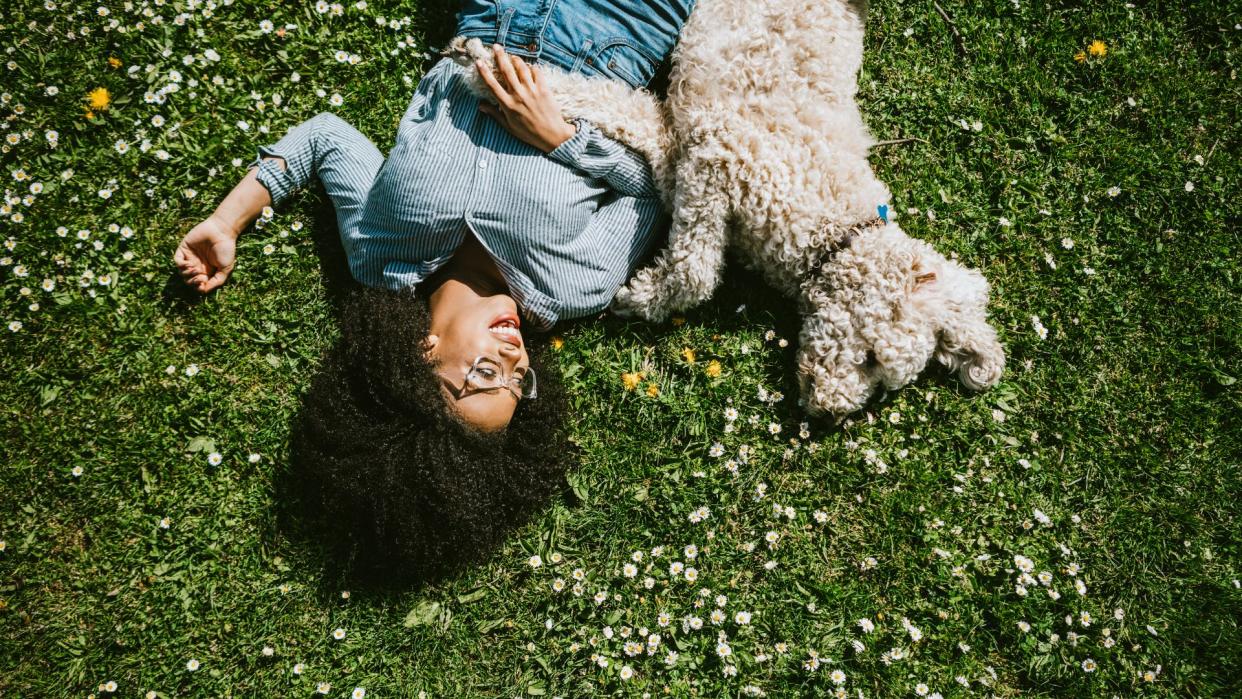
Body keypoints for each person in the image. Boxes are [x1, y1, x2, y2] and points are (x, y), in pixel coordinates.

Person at [171, 1, 695, 580]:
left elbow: (325, 141)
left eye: (486, 376)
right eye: (521, 382)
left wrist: (226, 222)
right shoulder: (570, 288)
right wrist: (559, 138)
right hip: (619, 31)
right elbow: (651, 192)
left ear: (420, 360)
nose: (514, 359)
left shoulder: (380, 256)